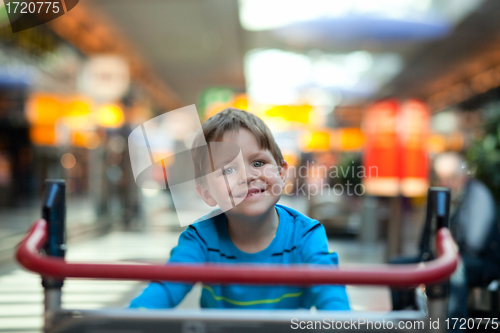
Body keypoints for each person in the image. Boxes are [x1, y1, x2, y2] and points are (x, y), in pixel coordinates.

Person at [129, 108, 350, 310]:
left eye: (258, 163)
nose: (247, 176)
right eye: (228, 170)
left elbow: (331, 294)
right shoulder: (201, 239)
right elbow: (167, 287)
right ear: (206, 192)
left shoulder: (304, 235)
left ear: (282, 174)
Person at [392, 152, 500, 329]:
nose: (446, 183)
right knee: (397, 265)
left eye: (451, 178)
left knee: (453, 269)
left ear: (463, 176)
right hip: (443, 257)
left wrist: (434, 262)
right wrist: (426, 262)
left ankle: (453, 327)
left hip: (479, 262)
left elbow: (474, 245)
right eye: (440, 178)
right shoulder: (439, 195)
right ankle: (403, 321)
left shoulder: (478, 195)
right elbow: (424, 242)